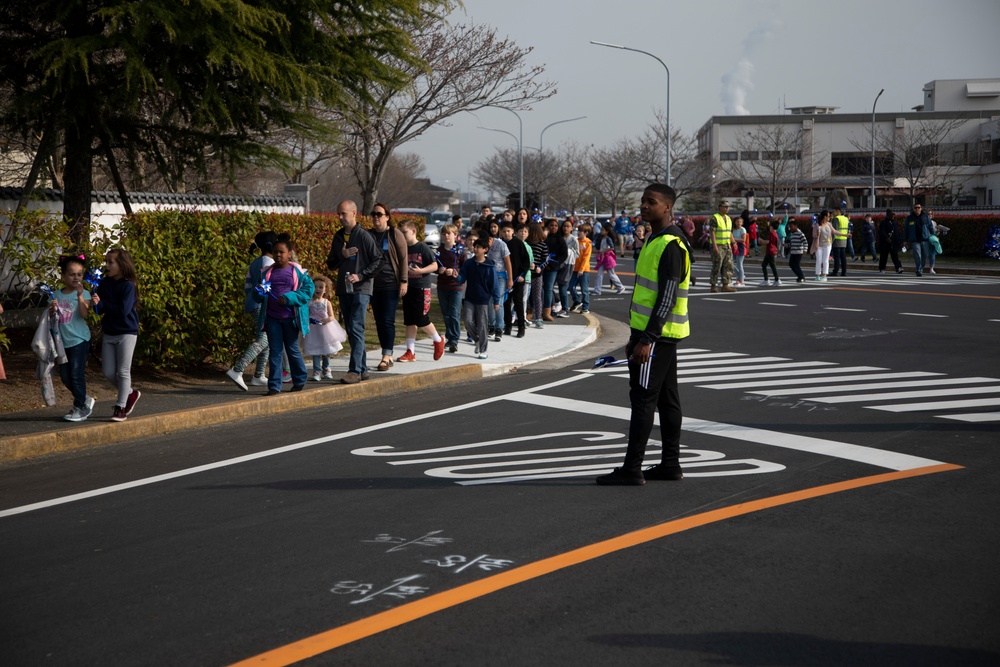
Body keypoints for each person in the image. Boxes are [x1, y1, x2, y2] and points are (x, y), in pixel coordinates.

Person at [597, 183, 691, 486]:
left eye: (652, 202)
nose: (644, 206)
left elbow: (667, 295)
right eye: (643, 201)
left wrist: (647, 338)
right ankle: (670, 465)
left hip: (657, 336)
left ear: (668, 207)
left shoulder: (671, 244)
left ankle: (632, 468)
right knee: (666, 399)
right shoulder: (656, 239)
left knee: (643, 399)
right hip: (659, 334)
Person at [326, 199, 384, 384]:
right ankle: (363, 368)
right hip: (344, 288)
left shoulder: (364, 236)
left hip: (361, 289)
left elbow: (378, 261)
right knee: (352, 329)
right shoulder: (338, 237)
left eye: (343, 213)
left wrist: (361, 276)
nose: (340, 217)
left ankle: (355, 370)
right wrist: (341, 256)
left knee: (356, 327)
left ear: (354, 213)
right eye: (338, 214)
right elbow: (331, 264)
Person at [253, 234, 313, 395]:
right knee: (275, 351)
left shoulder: (299, 272)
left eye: (281, 252)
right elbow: (258, 293)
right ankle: (274, 385)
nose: (278, 255)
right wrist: (258, 292)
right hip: (272, 319)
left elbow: (308, 291)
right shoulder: (266, 272)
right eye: (275, 252)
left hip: (290, 319)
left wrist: (288, 298)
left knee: (292, 349)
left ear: (289, 253)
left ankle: (300, 379)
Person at [91, 248, 141, 422]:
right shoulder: (105, 283)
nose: (107, 265)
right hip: (110, 331)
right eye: (107, 261)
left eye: (111, 262)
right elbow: (100, 310)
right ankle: (130, 393)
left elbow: (123, 311)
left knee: (123, 371)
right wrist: (96, 303)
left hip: (127, 331)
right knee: (108, 372)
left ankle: (120, 408)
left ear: (122, 264)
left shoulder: (128, 285)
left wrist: (104, 303)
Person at [226, 231, 276, 390]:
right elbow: (267, 285)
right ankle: (237, 369)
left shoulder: (256, 262)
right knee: (264, 340)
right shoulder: (269, 263)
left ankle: (259, 375)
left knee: (266, 340)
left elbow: (248, 286)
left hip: (253, 302)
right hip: (262, 304)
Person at [52, 255, 94, 421]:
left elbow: (84, 314)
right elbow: (52, 319)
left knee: (76, 374)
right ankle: (83, 398)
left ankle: (80, 407)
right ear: (63, 276)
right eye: (72, 274)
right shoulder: (55, 294)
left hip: (79, 341)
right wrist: (52, 309)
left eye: (79, 274)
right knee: (65, 376)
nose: (76, 277)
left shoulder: (85, 293)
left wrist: (79, 296)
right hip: (62, 342)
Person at [396, 220, 445, 362]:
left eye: (405, 232)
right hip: (408, 287)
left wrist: (421, 270)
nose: (403, 236)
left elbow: (435, 265)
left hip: (421, 287)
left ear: (413, 231)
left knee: (421, 319)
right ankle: (410, 351)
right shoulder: (403, 248)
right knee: (410, 320)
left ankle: (438, 340)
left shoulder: (422, 247)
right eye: (401, 233)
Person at [367, 203, 408, 372]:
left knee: (387, 320)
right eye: (373, 214)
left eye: (379, 214)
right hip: (373, 285)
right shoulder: (368, 235)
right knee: (379, 321)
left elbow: (403, 258)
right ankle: (387, 354)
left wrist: (404, 280)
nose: (376, 217)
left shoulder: (393, 233)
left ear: (387, 216)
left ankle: (386, 355)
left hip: (391, 283)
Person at [455, 236, 501, 360]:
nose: (475, 249)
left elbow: (494, 285)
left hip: (483, 299)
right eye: (475, 247)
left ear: (485, 249)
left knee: (482, 325)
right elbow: (461, 279)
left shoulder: (490, 266)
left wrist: (496, 301)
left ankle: (483, 349)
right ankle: (478, 340)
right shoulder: (469, 263)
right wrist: (455, 276)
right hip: (470, 297)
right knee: (467, 320)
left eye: (479, 247)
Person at [302, 275, 345, 381]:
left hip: (325, 330)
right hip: (313, 330)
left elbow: (331, 316)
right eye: (315, 287)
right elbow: (306, 315)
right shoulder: (309, 302)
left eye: (321, 287)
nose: (318, 289)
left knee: (326, 350)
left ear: (326, 290)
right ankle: (316, 371)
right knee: (315, 351)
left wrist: (327, 320)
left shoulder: (326, 302)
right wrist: (308, 321)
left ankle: (326, 369)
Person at [436, 223, 465, 353]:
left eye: (449, 233)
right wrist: (439, 270)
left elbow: (464, 268)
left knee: (454, 313)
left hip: (456, 286)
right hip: (442, 286)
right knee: (446, 313)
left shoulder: (460, 251)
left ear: (455, 235)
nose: (446, 236)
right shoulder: (439, 251)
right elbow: (434, 265)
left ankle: (454, 340)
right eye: (444, 233)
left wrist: (455, 270)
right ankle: (449, 336)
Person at [501, 223, 530, 336]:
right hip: (504, 278)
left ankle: (521, 327)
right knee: (506, 303)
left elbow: (526, 261)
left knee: (518, 303)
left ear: (513, 231)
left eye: (508, 231)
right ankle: (507, 326)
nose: (506, 233)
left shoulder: (518, 243)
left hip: (517, 278)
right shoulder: (501, 244)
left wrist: (522, 275)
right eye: (504, 231)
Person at [486, 220, 513, 340]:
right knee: (490, 302)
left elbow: (508, 262)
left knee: (498, 303)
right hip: (487, 277)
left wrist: (510, 279)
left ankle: (499, 328)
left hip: (501, 276)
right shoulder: (481, 246)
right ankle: (491, 325)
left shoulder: (501, 244)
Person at [541, 217, 568, 320]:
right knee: (540, 289)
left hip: (552, 268)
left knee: (548, 288)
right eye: (551, 225)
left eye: (556, 226)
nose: (553, 227)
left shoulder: (560, 239)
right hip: (541, 266)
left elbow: (564, 254)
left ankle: (547, 311)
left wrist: (553, 264)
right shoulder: (544, 237)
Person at [709, 201, 736, 293]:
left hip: (727, 245)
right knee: (717, 265)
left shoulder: (728, 219)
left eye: (728, 207)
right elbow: (712, 232)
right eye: (725, 207)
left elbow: (729, 232)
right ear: (720, 207)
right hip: (718, 245)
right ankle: (713, 285)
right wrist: (714, 246)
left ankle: (725, 285)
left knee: (728, 265)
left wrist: (734, 243)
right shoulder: (715, 218)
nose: (727, 209)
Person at [592, 225, 625, 296]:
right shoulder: (602, 238)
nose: (601, 231)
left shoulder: (608, 239)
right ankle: (597, 290)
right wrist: (598, 251)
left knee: (611, 274)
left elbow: (612, 247)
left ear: (607, 231)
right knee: (599, 274)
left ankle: (620, 287)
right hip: (602, 258)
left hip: (608, 258)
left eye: (602, 230)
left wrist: (603, 251)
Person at [526, 222, 548, 328]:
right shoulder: (525, 243)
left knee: (537, 297)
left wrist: (540, 267)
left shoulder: (542, 244)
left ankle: (538, 317)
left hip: (537, 275)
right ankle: (526, 316)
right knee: (526, 297)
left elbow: (546, 259)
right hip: (527, 274)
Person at [555, 218, 579, 318]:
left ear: (571, 228)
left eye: (568, 226)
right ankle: (555, 304)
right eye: (564, 226)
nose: (565, 228)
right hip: (557, 263)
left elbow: (577, 254)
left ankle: (565, 309)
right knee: (548, 285)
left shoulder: (574, 239)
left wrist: (568, 252)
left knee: (563, 287)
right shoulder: (559, 238)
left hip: (568, 264)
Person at [569, 223, 592, 314]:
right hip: (574, 268)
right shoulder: (575, 241)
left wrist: (581, 269)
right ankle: (577, 300)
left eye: (581, 232)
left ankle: (585, 307)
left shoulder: (588, 243)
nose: (579, 233)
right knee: (571, 287)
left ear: (586, 232)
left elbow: (586, 257)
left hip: (584, 270)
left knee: (584, 290)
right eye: (578, 231)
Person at [903, 202, 930, 276]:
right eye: (916, 208)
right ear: (913, 209)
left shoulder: (925, 216)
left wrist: (933, 236)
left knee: (925, 256)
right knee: (917, 255)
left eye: (919, 207)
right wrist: (905, 240)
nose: (917, 209)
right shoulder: (910, 218)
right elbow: (906, 229)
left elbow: (930, 227)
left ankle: (921, 268)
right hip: (915, 240)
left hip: (924, 240)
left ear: (921, 208)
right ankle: (919, 270)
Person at [878, 209, 904, 274]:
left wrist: (900, 240)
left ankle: (898, 267)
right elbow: (882, 232)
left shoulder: (894, 222)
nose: (893, 216)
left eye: (893, 215)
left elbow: (897, 232)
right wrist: (886, 238)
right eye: (891, 215)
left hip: (894, 242)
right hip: (885, 243)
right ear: (887, 215)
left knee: (895, 255)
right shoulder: (883, 222)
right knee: (884, 256)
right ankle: (882, 268)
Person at [759, 219, 781, 286]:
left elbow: (768, 242)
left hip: (770, 251)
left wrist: (761, 241)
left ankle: (774, 279)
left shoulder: (772, 233)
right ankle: (770, 279)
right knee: (768, 265)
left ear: (772, 227)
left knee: (768, 265)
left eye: (770, 226)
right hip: (772, 251)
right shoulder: (776, 234)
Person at [813, 211, 833, 281]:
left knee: (825, 260)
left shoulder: (829, 224)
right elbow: (813, 235)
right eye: (828, 216)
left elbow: (834, 231)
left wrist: (844, 235)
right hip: (819, 245)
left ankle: (824, 276)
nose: (829, 217)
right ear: (824, 216)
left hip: (827, 244)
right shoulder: (817, 225)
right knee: (819, 260)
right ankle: (818, 275)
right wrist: (817, 234)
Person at [831, 205, 850, 277]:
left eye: (834, 211)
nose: (833, 213)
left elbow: (834, 231)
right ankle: (844, 271)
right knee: (843, 257)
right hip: (844, 240)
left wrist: (831, 240)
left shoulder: (836, 219)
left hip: (837, 240)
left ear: (838, 211)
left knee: (837, 257)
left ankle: (835, 271)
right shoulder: (845, 218)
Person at [731, 216, 747, 287]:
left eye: (740, 222)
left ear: (742, 223)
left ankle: (742, 281)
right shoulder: (734, 230)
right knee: (730, 263)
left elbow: (743, 240)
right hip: (734, 247)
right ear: (735, 222)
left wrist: (734, 239)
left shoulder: (742, 229)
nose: (739, 223)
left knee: (739, 264)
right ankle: (741, 275)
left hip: (740, 247)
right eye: (737, 221)